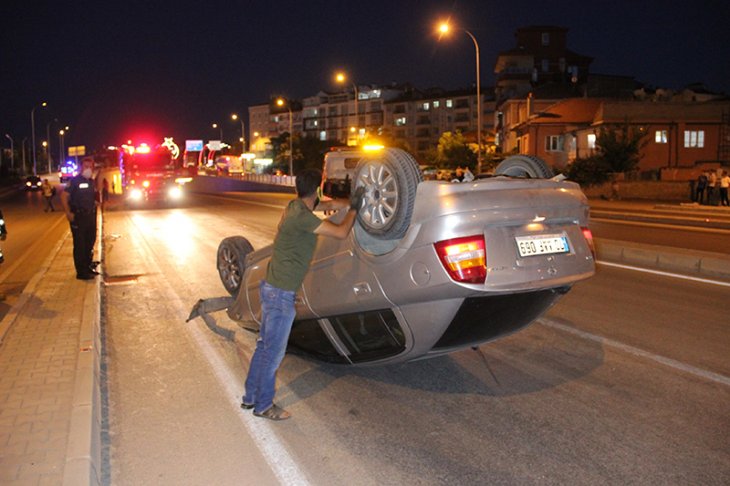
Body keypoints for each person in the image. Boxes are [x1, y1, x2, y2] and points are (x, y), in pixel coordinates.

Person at [241, 168, 364, 421]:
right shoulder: (304, 219)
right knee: (273, 354)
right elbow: (341, 232)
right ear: (317, 189)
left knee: (264, 347)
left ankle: (250, 397)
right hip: (279, 296)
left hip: (272, 289)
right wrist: (355, 210)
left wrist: (350, 201)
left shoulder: (294, 207)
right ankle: (263, 406)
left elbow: (328, 204)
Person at [61, 157, 99, 280]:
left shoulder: (92, 181)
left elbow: (94, 196)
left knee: (90, 242)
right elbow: (64, 196)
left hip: (90, 216)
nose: (88, 169)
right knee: (80, 245)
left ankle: (88, 267)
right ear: (81, 167)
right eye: (85, 166)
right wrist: (68, 213)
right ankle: (81, 272)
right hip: (78, 217)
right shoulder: (74, 181)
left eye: (90, 166)